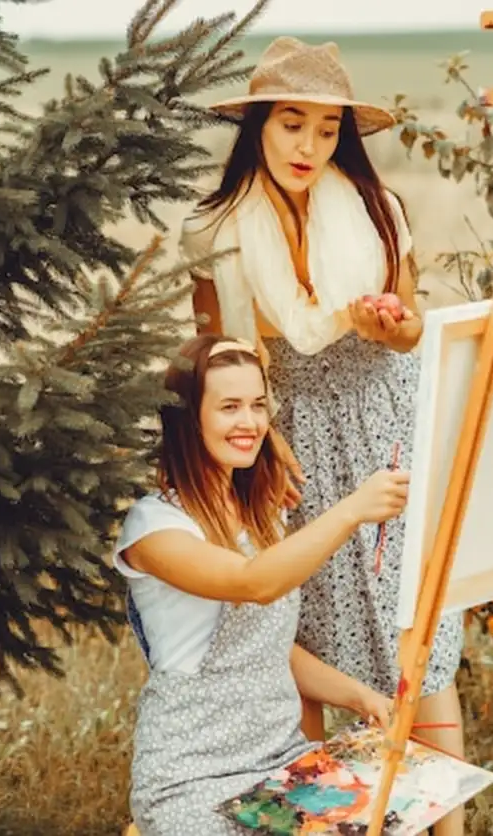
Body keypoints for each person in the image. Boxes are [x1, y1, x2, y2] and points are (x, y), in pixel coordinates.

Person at [179, 35, 467, 834]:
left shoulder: (379, 210)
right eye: (292, 125)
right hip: (289, 434)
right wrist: (262, 445)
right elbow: (220, 358)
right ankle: (318, 825)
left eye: (327, 129)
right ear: (260, 127)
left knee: (416, 623)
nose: (309, 146)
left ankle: (447, 825)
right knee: (305, 634)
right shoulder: (218, 231)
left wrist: (391, 325)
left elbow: (411, 331)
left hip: (384, 421)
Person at [115, 334, 412, 836]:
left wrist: (361, 697)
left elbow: (267, 646)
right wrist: (353, 510)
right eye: (229, 407)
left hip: (281, 762)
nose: (250, 423)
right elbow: (254, 584)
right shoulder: (154, 529)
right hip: (192, 777)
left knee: (396, 818)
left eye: (257, 406)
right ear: (190, 420)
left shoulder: (261, 513)